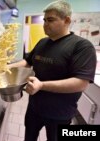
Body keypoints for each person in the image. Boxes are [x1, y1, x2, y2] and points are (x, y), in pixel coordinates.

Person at [8, 1, 97, 141]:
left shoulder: (82, 46)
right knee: (29, 137)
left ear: (66, 20)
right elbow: (28, 62)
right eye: (44, 20)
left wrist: (42, 85)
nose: (45, 24)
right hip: (34, 108)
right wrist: (8, 67)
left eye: (50, 20)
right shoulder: (43, 42)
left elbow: (81, 83)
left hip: (60, 114)